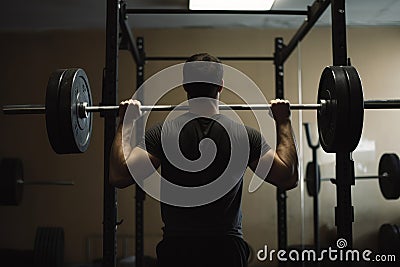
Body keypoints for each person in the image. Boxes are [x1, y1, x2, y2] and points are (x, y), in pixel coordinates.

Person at [110, 53, 298, 267]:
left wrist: (126, 122)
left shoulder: (164, 133)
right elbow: (288, 178)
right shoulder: (244, 136)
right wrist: (284, 121)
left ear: (185, 85)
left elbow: (119, 175)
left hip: (178, 249)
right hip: (226, 250)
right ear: (220, 85)